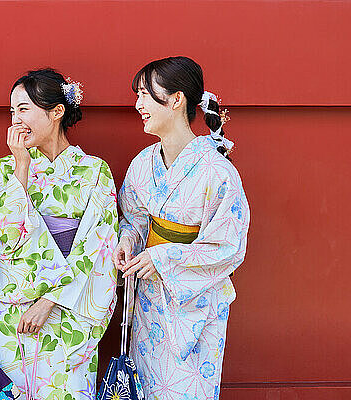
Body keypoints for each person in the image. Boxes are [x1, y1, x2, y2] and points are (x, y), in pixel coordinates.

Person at [113, 56, 250, 400]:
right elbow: (132, 219)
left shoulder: (217, 172)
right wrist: (128, 241)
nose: (138, 104)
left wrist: (163, 257)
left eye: (145, 94)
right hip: (148, 303)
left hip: (195, 308)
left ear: (177, 100)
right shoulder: (143, 163)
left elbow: (227, 247)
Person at [0, 69, 118, 399]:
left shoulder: (93, 170)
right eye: (12, 111)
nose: (16, 119)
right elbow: (5, 236)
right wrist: (21, 166)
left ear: (57, 112)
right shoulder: (8, 166)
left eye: (24, 108)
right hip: (13, 306)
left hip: (69, 304)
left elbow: (98, 245)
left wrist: (50, 299)